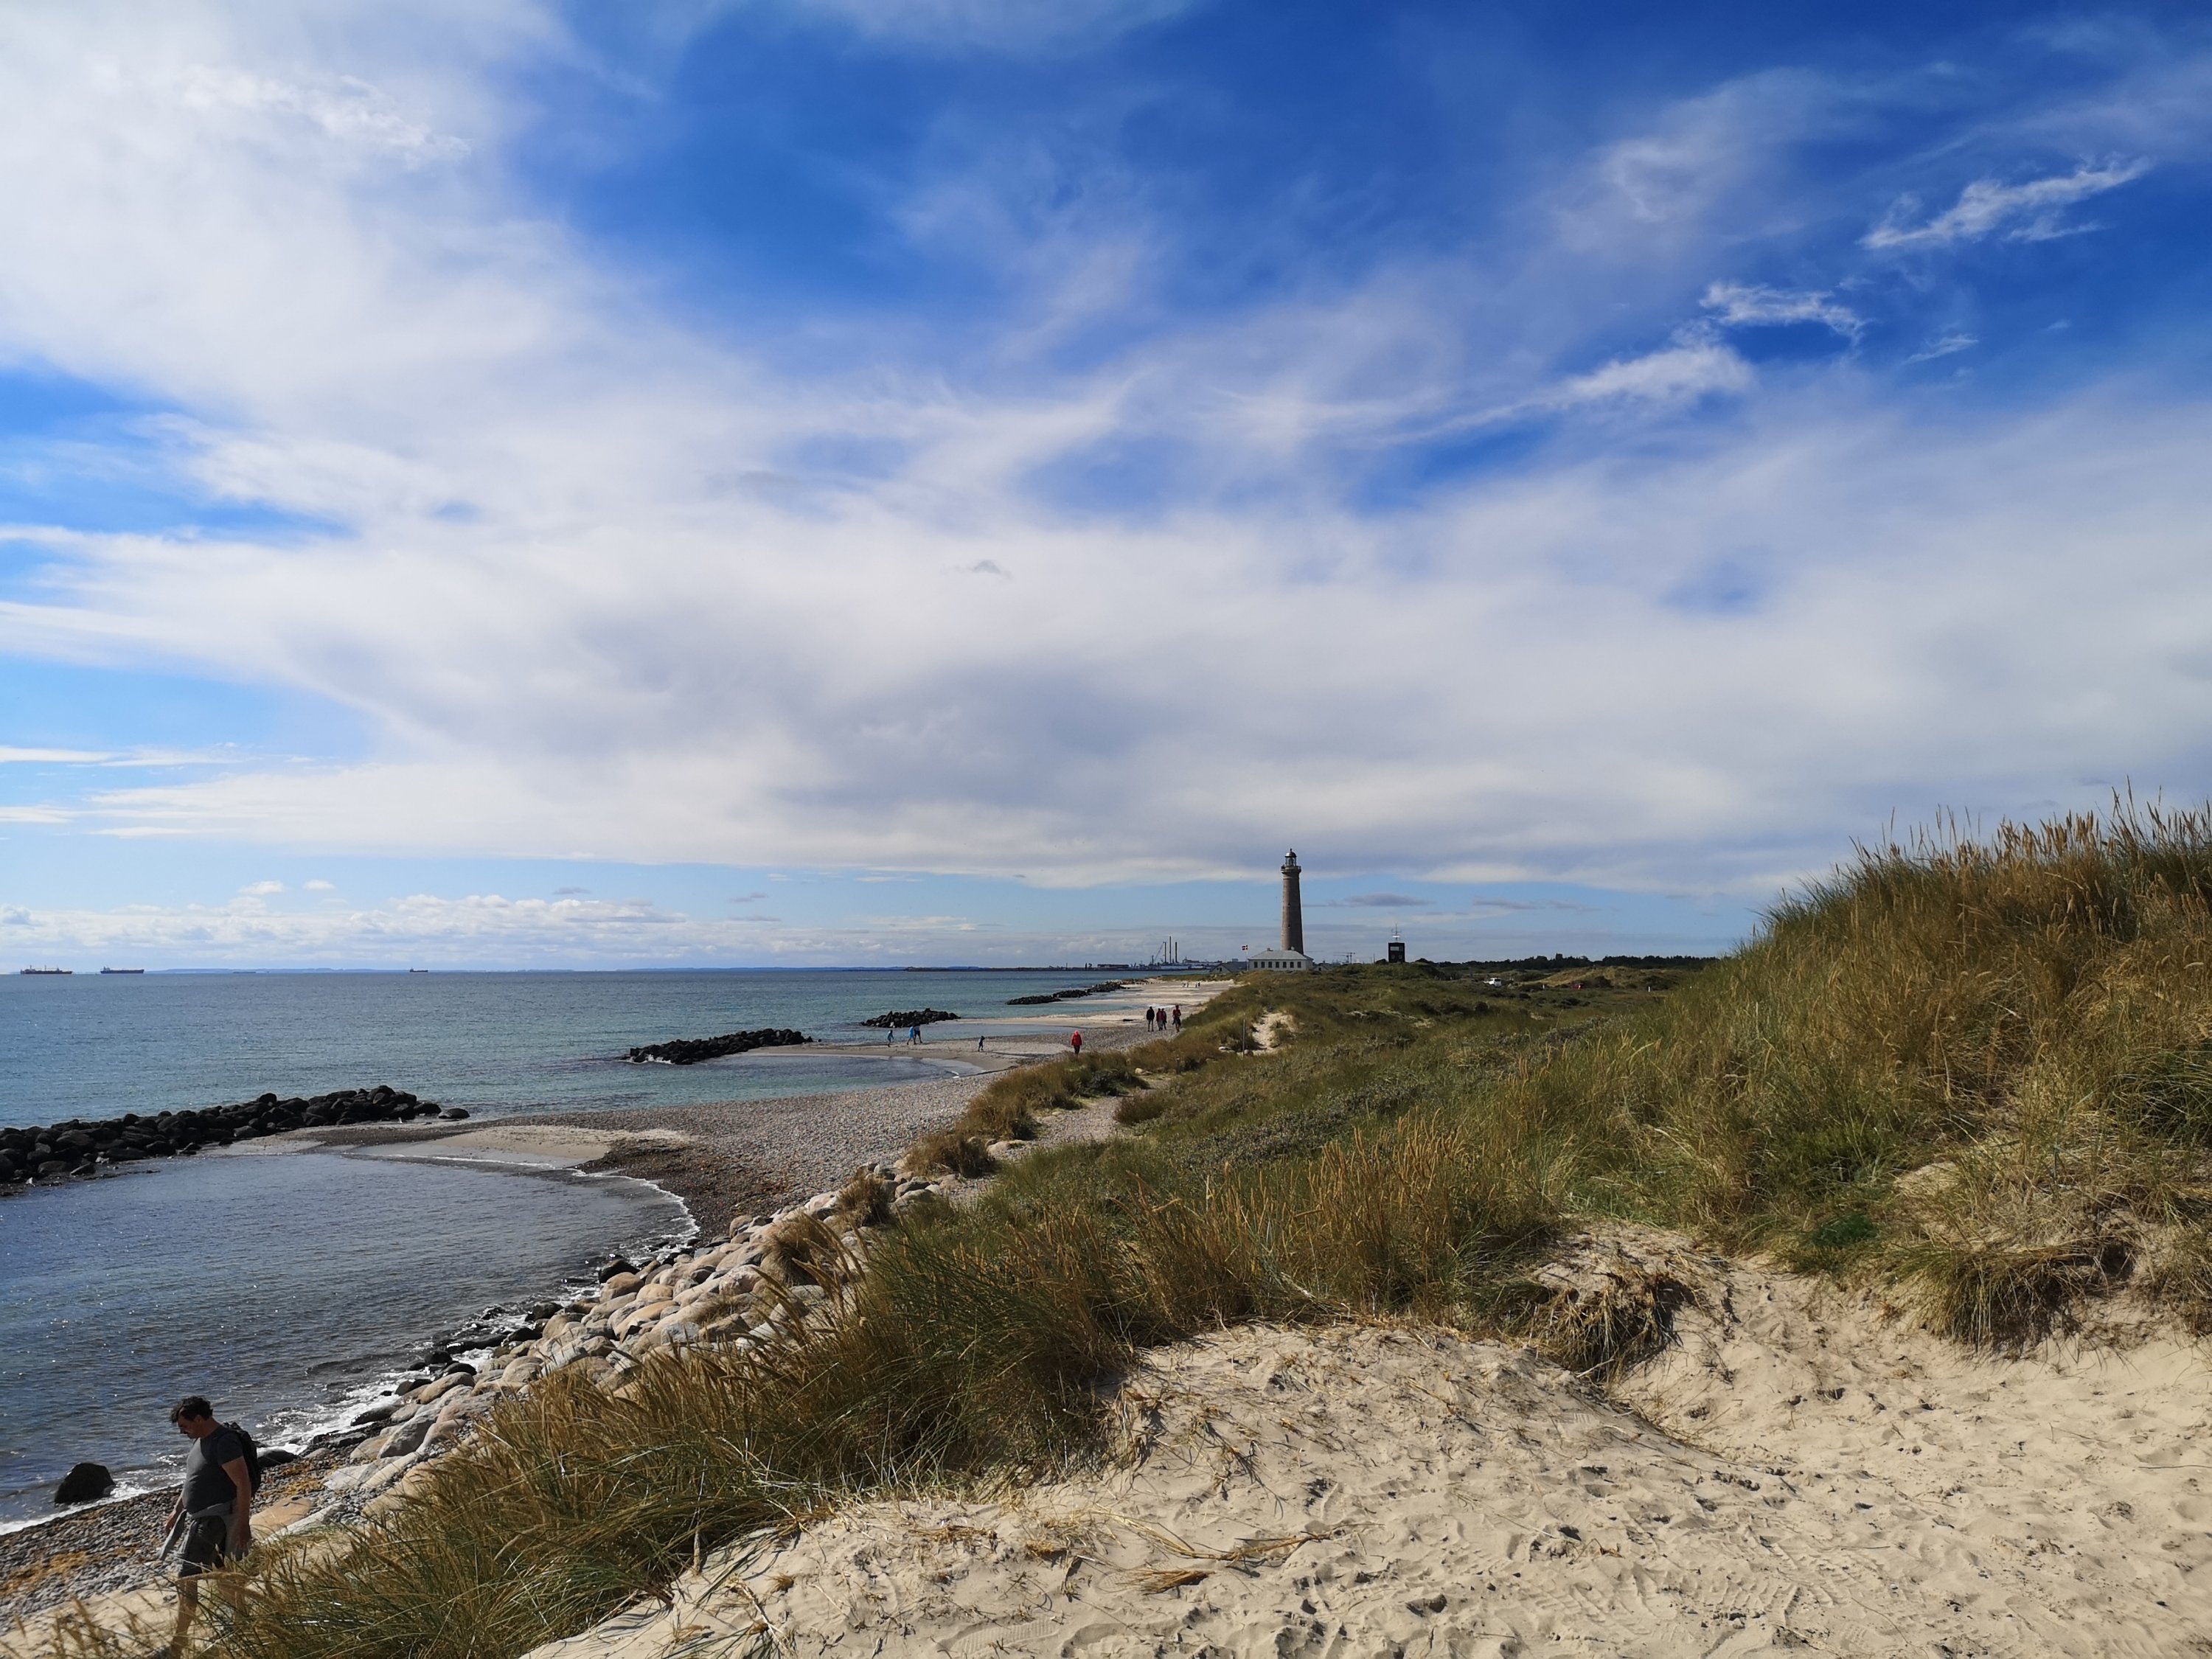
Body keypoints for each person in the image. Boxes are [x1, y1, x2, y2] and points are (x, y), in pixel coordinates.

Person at [164, 1397, 252, 1655]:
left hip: (214, 1522)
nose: (182, 1431)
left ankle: (178, 1644)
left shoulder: (224, 1442)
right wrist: (176, 1510)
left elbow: (243, 1484)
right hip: (200, 1518)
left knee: (186, 1579)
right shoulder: (200, 1442)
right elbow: (192, 1479)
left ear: (199, 1419)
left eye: (184, 1425)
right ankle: (243, 1623)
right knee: (225, 1575)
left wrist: (244, 1524)